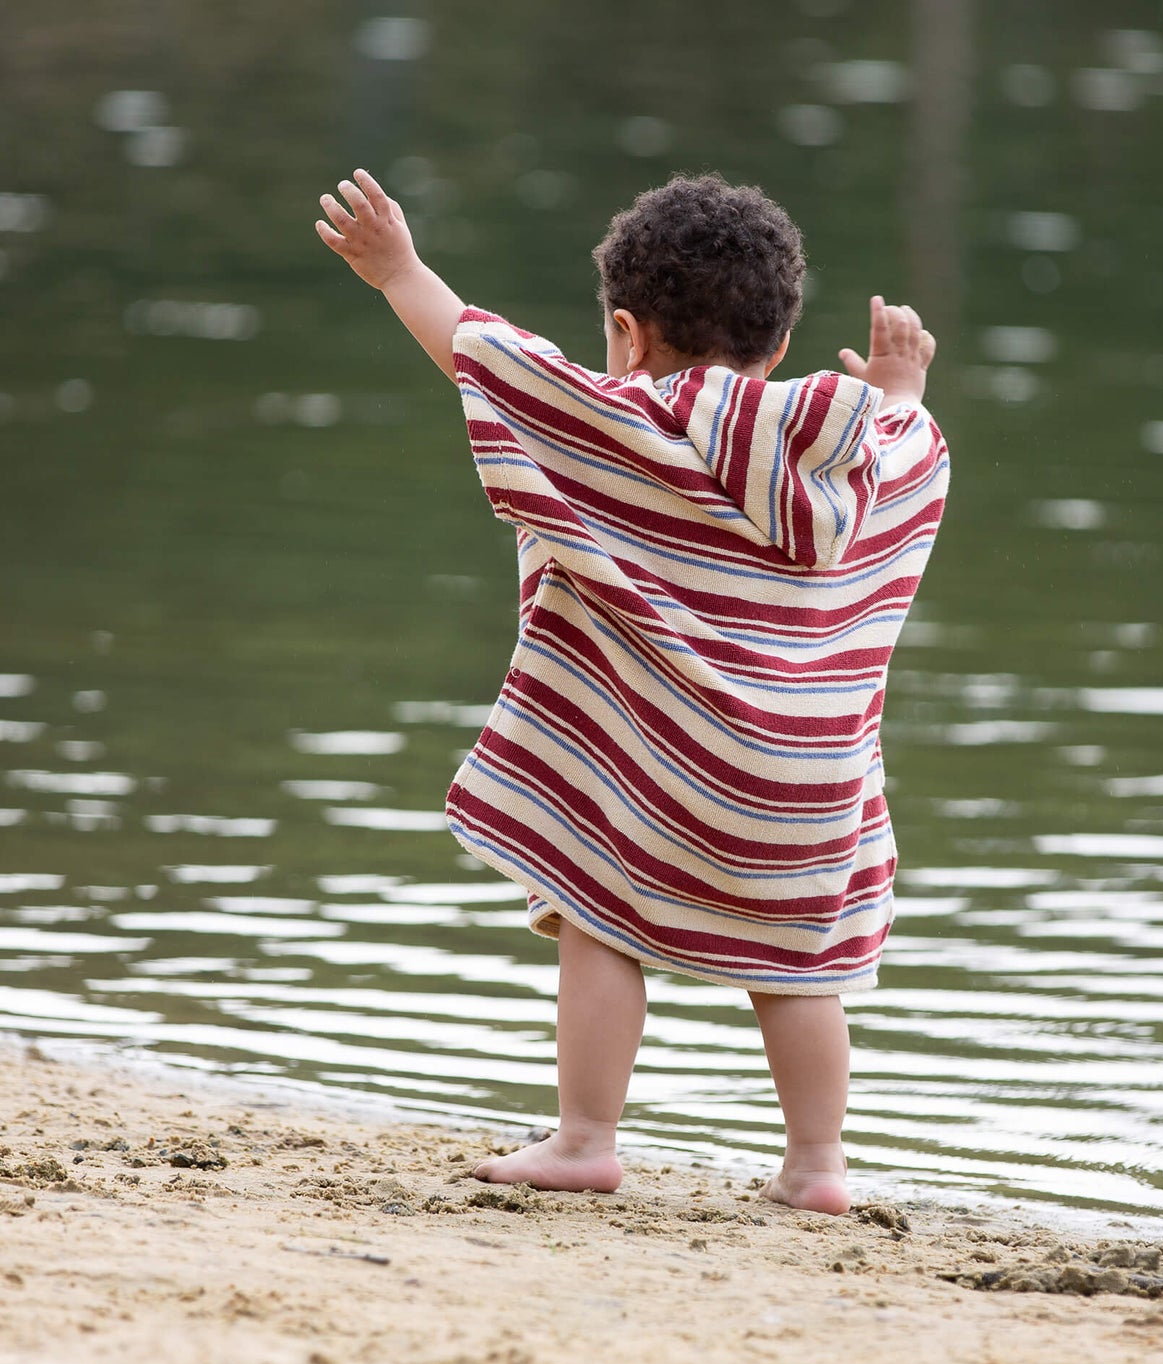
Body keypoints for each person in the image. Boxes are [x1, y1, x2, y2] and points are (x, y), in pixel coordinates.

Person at [316, 168, 947, 1215]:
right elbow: (906, 442)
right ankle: (816, 1164)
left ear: (625, 332)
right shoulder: (857, 464)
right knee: (799, 968)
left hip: (661, 776)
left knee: (595, 906)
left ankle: (585, 1138)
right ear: (780, 343)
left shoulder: (625, 425)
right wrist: (897, 385)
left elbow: (489, 358)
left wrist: (400, 271)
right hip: (809, 795)